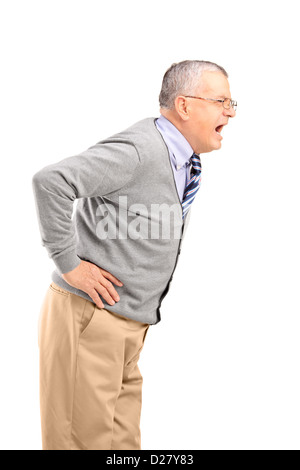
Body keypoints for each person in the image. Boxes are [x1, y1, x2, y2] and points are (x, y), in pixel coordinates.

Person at [32, 60, 237, 450]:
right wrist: (69, 263)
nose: (229, 111)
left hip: (129, 328)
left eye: (232, 102)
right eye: (221, 101)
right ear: (185, 105)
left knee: (122, 446)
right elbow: (51, 181)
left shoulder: (184, 159)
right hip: (91, 317)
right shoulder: (140, 151)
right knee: (81, 443)